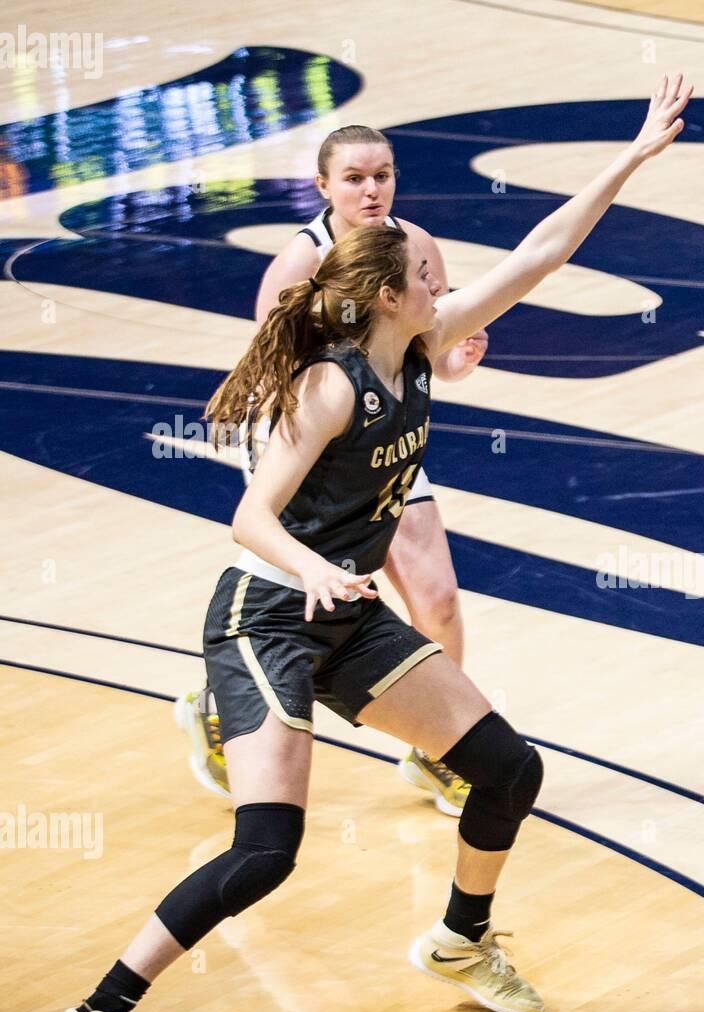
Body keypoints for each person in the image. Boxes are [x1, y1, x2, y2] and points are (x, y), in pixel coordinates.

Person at [30, 76, 693, 1012]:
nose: (443, 283)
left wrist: (634, 153)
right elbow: (249, 518)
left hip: (344, 615)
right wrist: (317, 569)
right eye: (426, 277)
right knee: (266, 849)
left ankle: (460, 937)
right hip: (265, 614)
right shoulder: (331, 385)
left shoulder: (421, 344)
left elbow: (542, 253)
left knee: (507, 767)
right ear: (389, 294)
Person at [175, 124, 486, 816]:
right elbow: (274, 382)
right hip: (314, 452)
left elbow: (426, 358)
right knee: (301, 613)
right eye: (354, 178)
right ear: (323, 187)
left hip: (386, 440)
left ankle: (439, 753)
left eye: (382, 175)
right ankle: (219, 707)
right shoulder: (299, 262)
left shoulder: (417, 248)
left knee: (438, 599)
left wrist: (456, 363)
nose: (371, 189)